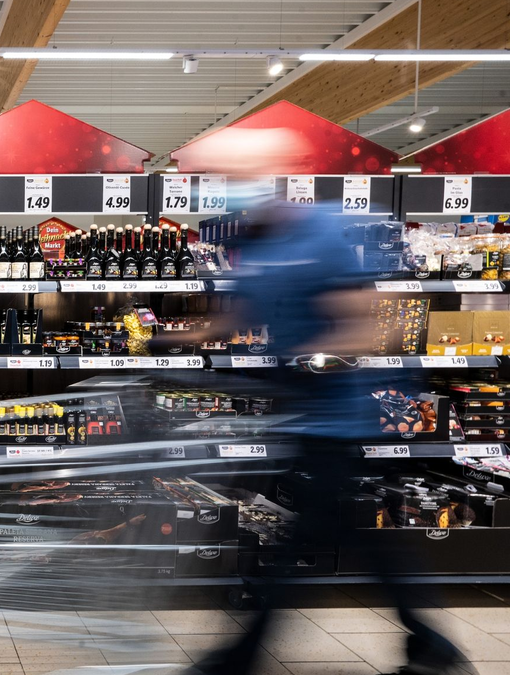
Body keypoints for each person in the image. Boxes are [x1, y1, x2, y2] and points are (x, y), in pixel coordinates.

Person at [184, 198, 464, 675]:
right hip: (308, 417)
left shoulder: (320, 235)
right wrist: (176, 341)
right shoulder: (260, 249)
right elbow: (238, 316)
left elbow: (363, 327)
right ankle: (434, 646)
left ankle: (239, 658)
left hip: (340, 418)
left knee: (303, 542)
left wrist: (309, 360)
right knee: (357, 539)